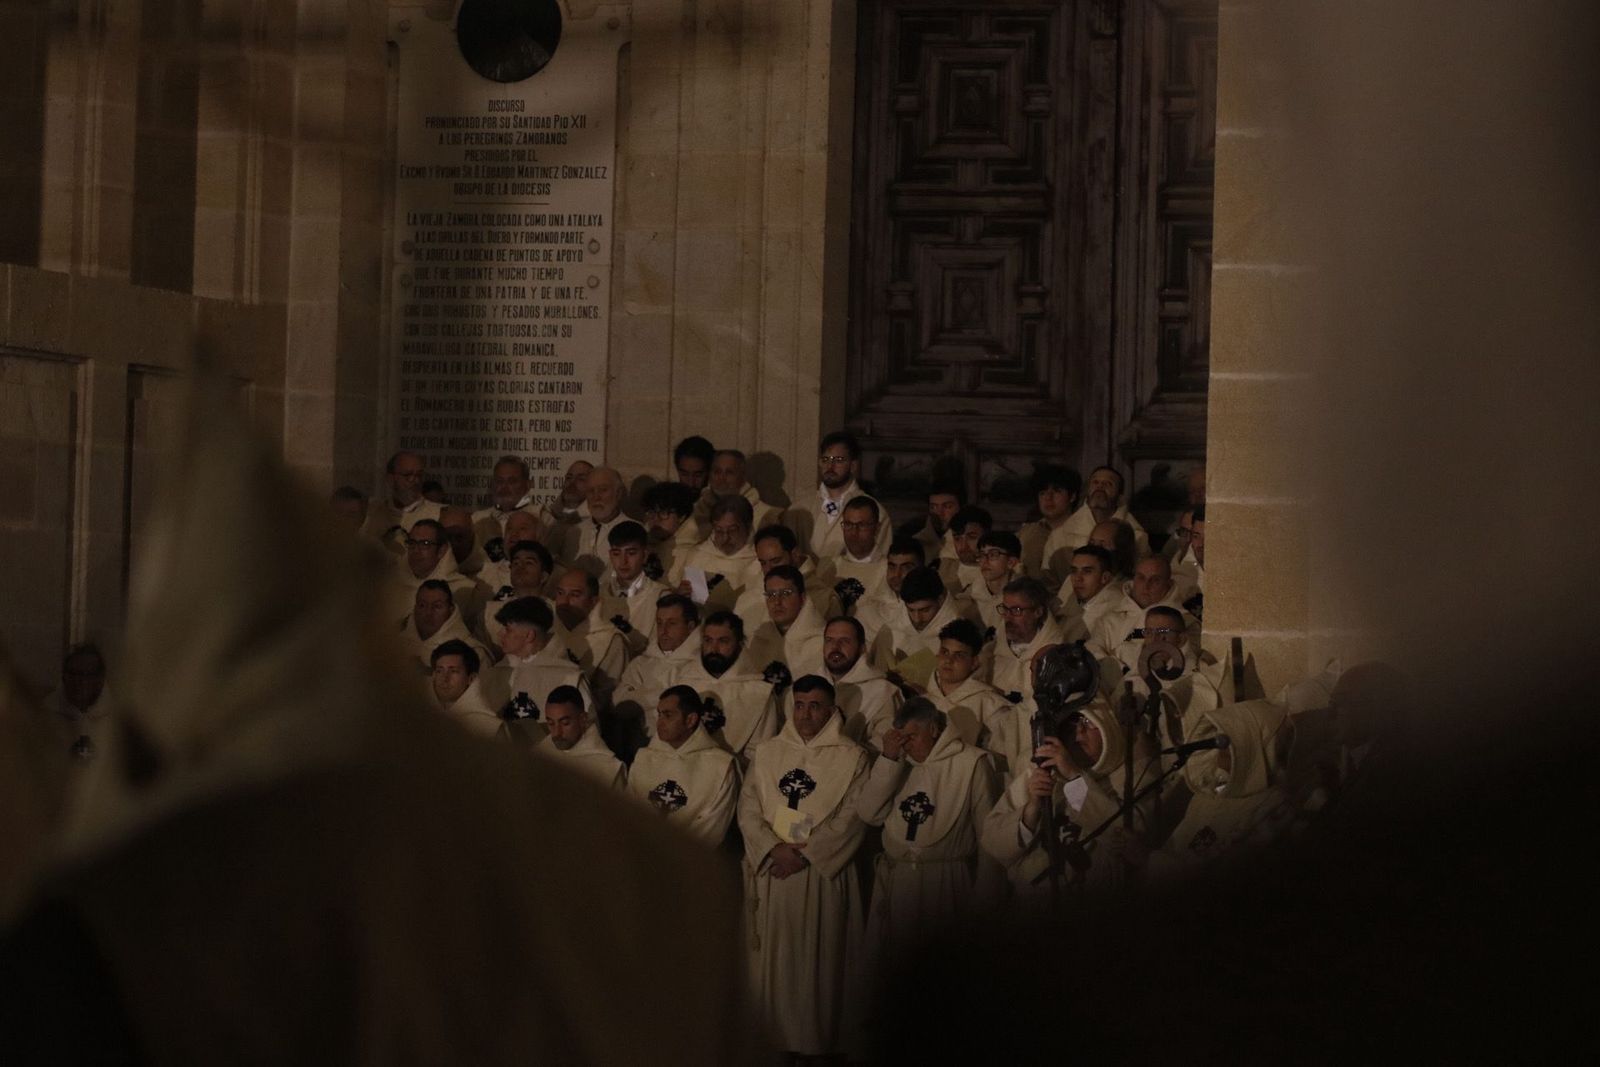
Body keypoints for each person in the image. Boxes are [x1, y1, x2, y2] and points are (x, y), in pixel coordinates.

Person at [738, 675, 871, 1059]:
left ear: (831, 711)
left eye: (815, 706)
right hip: (774, 875)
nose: (806, 714)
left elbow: (852, 818)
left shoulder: (853, 756)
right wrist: (772, 848)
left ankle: (815, 1045)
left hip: (819, 876)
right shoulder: (767, 752)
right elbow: (747, 809)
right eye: (799, 704)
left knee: (819, 968)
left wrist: (806, 854)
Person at [855, 697, 1001, 955]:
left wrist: (986, 898)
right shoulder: (897, 762)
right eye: (901, 738)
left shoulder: (971, 762)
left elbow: (988, 836)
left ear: (933, 729)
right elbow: (869, 813)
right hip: (898, 883)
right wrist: (888, 760)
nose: (906, 745)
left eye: (912, 736)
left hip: (947, 882)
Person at [981, 698, 1155, 898]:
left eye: (1088, 723)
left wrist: (1074, 777)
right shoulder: (1041, 772)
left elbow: (1127, 839)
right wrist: (1031, 810)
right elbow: (993, 842)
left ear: (1107, 727)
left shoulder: (1130, 775)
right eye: (1072, 723)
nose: (1079, 732)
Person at [1148, 698, 1295, 878]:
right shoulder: (1210, 791)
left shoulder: (1273, 807)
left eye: (1231, 740)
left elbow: (1218, 873)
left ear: (1253, 746)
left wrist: (1147, 860)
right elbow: (1178, 844)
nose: (1221, 747)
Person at [626, 686, 739, 846]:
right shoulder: (644, 758)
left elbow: (712, 829)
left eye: (668, 715)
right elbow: (628, 812)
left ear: (691, 720)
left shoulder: (720, 765)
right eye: (659, 714)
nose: (659, 722)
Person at [674, 611, 782, 766]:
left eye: (723, 641)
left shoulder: (759, 693)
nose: (714, 649)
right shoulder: (683, 683)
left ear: (739, 644)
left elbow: (760, 755)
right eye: (708, 640)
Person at [927, 619, 1027, 778]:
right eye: (945, 652)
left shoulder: (990, 705)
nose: (949, 660)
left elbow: (1004, 761)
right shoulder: (924, 697)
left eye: (959, 655)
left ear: (974, 662)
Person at [480, 597, 591, 726]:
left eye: (508, 629)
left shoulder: (570, 678)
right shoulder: (498, 672)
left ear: (529, 636)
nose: (500, 634)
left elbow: (587, 727)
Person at [611, 594, 703, 745]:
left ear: (691, 627)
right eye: (660, 623)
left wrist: (638, 693)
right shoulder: (641, 662)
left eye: (672, 623)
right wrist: (661, 692)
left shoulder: (699, 665)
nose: (663, 630)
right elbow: (618, 703)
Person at [870, 565, 977, 691]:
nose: (917, 618)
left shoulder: (959, 635)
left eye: (925, 610)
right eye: (911, 610)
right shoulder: (891, 628)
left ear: (941, 599)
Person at [791, 431, 891, 560]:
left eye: (839, 460)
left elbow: (881, 561)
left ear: (853, 465)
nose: (830, 466)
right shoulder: (798, 509)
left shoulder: (875, 512)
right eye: (825, 459)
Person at [1094, 555, 1202, 672]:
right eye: (1141, 578)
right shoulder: (1109, 620)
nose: (1146, 586)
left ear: (1168, 584)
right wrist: (1120, 670)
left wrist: (1123, 652)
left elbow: (1185, 664)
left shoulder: (1186, 623)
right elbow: (1093, 654)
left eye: (1155, 580)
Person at [1040, 465, 1150, 581]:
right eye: (1095, 482)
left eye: (1108, 484)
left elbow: (1139, 578)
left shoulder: (1138, 537)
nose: (1100, 487)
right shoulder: (1060, 535)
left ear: (1119, 495)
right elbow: (1048, 579)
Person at [384, 518, 488, 627]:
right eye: (412, 543)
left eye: (425, 544)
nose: (416, 550)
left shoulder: (465, 591)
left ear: (441, 550)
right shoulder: (391, 583)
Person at [550, 569, 628, 712]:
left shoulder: (610, 639)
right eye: (560, 593)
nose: (564, 602)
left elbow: (606, 699)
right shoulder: (547, 629)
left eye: (575, 595)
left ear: (593, 601)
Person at [822, 616, 902, 749]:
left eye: (845, 641)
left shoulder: (882, 691)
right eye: (829, 640)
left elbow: (884, 744)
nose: (835, 647)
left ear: (862, 648)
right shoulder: (808, 685)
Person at [734, 524, 840, 623]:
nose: (769, 569)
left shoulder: (824, 598)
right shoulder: (746, 599)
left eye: (776, 561)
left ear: (794, 555)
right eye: (763, 563)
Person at [989, 577, 1067, 709]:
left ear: (1038, 612)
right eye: (1005, 609)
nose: (1008, 617)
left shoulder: (1057, 655)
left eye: (1016, 610)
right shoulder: (992, 650)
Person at [677, 495, 757, 611]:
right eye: (719, 531)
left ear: (748, 527)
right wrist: (681, 597)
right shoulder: (698, 555)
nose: (725, 538)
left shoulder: (759, 560)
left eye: (732, 530)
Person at [746, 565, 827, 679]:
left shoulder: (822, 641)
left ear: (802, 598)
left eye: (786, 593)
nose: (777, 602)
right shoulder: (756, 641)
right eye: (771, 595)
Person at [536, 685, 625, 788]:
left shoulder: (608, 768)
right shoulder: (542, 751)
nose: (556, 733)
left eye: (565, 723)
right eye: (551, 723)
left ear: (583, 719)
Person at [479, 538, 555, 652]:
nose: (520, 567)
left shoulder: (556, 612)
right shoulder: (489, 612)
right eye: (516, 563)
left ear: (544, 576)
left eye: (529, 563)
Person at [603, 520, 668, 655]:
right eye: (616, 554)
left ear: (644, 555)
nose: (623, 561)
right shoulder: (598, 593)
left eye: (631, 553)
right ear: (610, 555)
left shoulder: (661, 596)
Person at [401, 581, 490, 673]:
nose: (428, 613)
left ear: (450, 610)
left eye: (437, 606)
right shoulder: (396, 644)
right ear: (415, 608)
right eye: (422, 605)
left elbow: (483, 686)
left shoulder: (472, 653)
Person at [360, 449, 444, 546]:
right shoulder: (371, 512)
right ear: (390, 479)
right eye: (407, 475)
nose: (415, 481)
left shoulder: (438, 514)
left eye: (419, 475)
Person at [850, 537, 925, 644]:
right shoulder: (868, 612)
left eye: (906, 567)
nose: (897, 574)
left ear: (921, 568)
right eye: (892, 567)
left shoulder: (931, 611)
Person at [470, 456, 541, 564]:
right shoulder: (477, 519)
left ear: (527, 484)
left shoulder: (540, 517)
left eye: (512, 481)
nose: (504, 487)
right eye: (499, 481)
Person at [1056, 545, 1132, 645]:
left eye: (1087, 571)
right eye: (1074, 571)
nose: (1078, 578)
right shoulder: (1081, 593)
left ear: (1105, 577)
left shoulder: (1113, 607)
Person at [694, 449, 784, 533]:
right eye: (717, 472)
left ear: (743, 477)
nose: (721, 478)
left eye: (729, 472)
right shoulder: (697, 509)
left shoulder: (766, 516)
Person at [1018, 464, 1080, 584]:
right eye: (1042, 493)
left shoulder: (1083, 532)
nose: (1048, 497)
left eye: (1056, 491)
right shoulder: (1027, 532)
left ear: (1072, 496)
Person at [428, 640, 504, 740]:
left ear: (471, 678)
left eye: (454, 671)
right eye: (439, 671)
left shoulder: (488, 727)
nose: (444, 678)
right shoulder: (422, 715)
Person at [48, 643, 112, 759]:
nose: (80, 681)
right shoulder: (45, 717)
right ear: (64, 676)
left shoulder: (118, 720)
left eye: (88, 674)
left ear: (101, 678)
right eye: (73, 673)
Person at [563, 466, 629, 575]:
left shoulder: (633, 530)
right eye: (591, 491)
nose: (596, 497)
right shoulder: (575, 530)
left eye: (603, 490)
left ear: (618, 493)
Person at [640, 481, 701, 584]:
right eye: (651, 512)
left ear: (682, 516)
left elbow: (698, 597)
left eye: (664, 513)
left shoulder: (696, 554)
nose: (656, 519)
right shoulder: (641, 546)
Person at [966, 530, 1023, 620]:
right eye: (981, 555)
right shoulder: (970, 596)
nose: (985, 561)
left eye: (993, 555)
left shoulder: (1025, 596)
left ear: (1011, 562)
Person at [936, 505, 992, 597]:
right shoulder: (943, 569)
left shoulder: (999, 572)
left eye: (972, 537)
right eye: (957, 539)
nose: (963, 546)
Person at [907, 481, 965, 562]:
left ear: (960, 508)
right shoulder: (917, 542)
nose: (939, 513)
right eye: (933, 507)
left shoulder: (968, 541)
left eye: (947, 507)